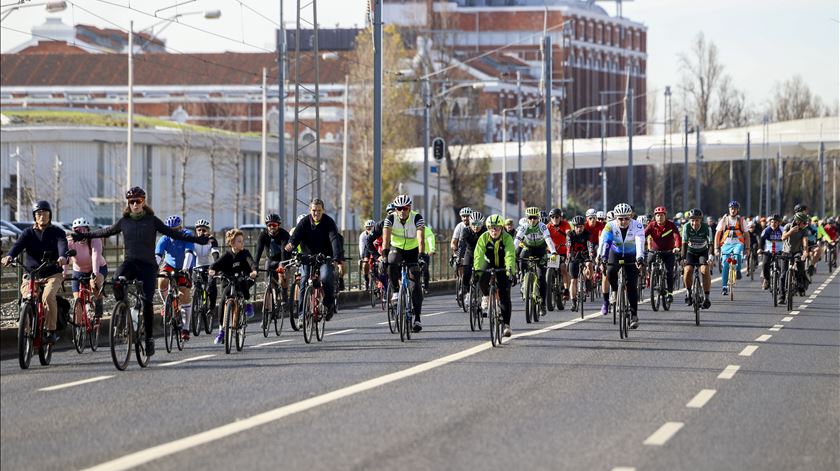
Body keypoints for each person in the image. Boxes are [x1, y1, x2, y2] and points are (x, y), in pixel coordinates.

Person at [70, 187, 208, 356]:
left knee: (147, 303)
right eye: (131, 201)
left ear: (144, 202)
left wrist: (197, 240)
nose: (135, 204)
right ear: (128, 203)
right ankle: (123, 312)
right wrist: (84, 236)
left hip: (148, 266)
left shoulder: (152, 220)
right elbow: (105, 232)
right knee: (116, 281)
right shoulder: (124, 221)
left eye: (138, 201)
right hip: (130, 263)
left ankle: (149, 338)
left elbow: (175, 234)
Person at [2, 200, 69, 344]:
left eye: (45, 213)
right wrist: (9, 256)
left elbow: (63, 245)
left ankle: (51, 331)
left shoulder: (58, 232)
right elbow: (17, 246)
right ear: (34, 216)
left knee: (47, 296)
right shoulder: (28, 233)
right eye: (39, 213)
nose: (42, 216)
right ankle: (27, 328)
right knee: (27, 297)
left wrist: (63, 257)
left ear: (50, 215)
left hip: (52, 273)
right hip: (32, 274)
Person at [285, 198, 344, 322]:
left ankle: (329, 304)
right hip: (307, 257)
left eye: (319, 211)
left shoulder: (329, 222)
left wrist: (337, 258)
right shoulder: (304, 222)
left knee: (326, 276)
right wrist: (291, 244)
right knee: (304, 279)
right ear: (309, 210)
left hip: (325, 256)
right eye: (313, 210)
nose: (316, 213)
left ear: (323, 210)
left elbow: (334, 239)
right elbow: (295, 236)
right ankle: (301, 314)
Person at [381, 195, 426, 332]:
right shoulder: (390, 218)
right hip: (397, 247)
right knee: (391, 262)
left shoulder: (417, 218)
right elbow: (386, 238)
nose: (402, 211)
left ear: (409, 208)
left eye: (405, 208)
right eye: (399, 208)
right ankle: (395, 291)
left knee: (415, 282)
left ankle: (417, 318)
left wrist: (421, 255)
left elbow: (421, 239)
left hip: (412, 250)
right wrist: (384, 256)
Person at [598, 203, 645, 328]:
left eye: (626, 218)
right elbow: (605, 242)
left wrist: (640, 258)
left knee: (631, 285)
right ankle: (614, 290)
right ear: (615, 218)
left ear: (630, 217)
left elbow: (640, 242)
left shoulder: (637, 226)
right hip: (616, 252)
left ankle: (634, 315)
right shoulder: (610, 226)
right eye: (620, 218)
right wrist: (603, 257)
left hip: (631, 254)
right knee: (610, 272)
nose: (623, 221)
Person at [209, 229, 258, 344]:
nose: (242, 243)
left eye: (242, 241)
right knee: (222, 302)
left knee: (242, 282)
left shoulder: (245, 253)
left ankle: (247, 302)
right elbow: (216, 264)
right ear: (232, 243)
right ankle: (222, 330)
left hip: (241, 279)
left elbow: (251, 262)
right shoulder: (227, 255)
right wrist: (212, 270)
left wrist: (254, 271)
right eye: (239, 241)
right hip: (228, 281)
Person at [155, 215, 197, 341]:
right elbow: (157, 256)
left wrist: (185, 270)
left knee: (184, 295)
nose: (173, 233)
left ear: (181, 228)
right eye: (170, 230)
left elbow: (189, 253)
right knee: (162, 279)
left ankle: (185, 328)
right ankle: (166, 304)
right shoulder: (164, 239)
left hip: (185, 265)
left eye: (176, 230)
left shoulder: (187, 235)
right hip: (169, 264)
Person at [473, 214, 516, 337]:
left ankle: (506, 325)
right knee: (481, 276)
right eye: (491, 228)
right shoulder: (484, 238)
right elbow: (479, 255)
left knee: (505, 295)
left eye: (497, 228)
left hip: (503, 267)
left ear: (502, 228)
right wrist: (477, 271)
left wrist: (510, 271)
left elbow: (510, 255)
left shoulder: (507, 238)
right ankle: (486, 295)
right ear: (487, 228)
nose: (494, 231)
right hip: (488, 263)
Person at [514, 206, 557, 317]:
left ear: (538, 218)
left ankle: (542, 304)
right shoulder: (524, 227)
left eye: (535, 218)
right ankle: (523, 279)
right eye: (530, 218)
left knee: (542, 277)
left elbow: (548, 239)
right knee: (522, 258)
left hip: (540, 250)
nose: (533, 220)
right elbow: (517, 240)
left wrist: (553, 251)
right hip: (528, 248)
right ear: (527, 218)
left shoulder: (542, 226)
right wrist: (512, 253)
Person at [66, 217, 108, 319]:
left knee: (94, 284)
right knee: (77, 301)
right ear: (74, 231)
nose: (81, 233)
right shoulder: (70, 242)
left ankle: (99, 303)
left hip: (98, 267)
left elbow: (95, 257)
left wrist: (95, 273)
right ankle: (79, 329)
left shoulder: (94, 239)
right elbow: (65, 258)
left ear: (88, 230)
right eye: (78, 230)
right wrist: (63, 274)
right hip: (79, 270)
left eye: (84, 230)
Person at [644, 206, 681, 303]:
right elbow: (643, 235)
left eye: (661, 215)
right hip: (655, 251)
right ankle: (652, 277)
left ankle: (669, 293)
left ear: (665, 216)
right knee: (648, 261)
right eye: (657, 216)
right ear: (655, 217)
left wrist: (677, 247)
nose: (659, 217)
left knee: (669, 272)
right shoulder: (652, 225)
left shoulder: (671, 225)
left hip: (668, 252)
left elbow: (677, 237)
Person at [255, 213, 292, 308]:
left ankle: (284, 294)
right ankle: (270, 304)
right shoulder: (263, 235)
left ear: (278, 225)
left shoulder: (284, 234)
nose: (272, 227)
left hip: (282, 259)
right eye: (269, 225)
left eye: (274, 225)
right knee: (268, 282)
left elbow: (284, 251)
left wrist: (283, 267)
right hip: (270, 260)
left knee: (282, 274)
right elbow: (258, 252)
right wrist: (255, 266)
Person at [714, 201, 750, 296]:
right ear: (729, 209)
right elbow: (717, 235)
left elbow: (746, 235)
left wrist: (747, 248)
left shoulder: (741, 220)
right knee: (726, 264)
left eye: (735, 209)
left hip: (738, 243)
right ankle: (724, 287)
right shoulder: (724, 220)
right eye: (731, 208)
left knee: (737, 254)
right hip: (726, 244)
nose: (733, 210)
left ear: (737, 210)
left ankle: (738, 270)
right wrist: (716, 248)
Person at [680, 209, 713, 309]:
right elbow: (684, 244)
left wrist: (711, 255)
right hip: (690, 252)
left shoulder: (706, 227)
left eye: (697, 220)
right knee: (688, 270)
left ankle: (707, 297)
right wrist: (683, 258)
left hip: (702, 252)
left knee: (704, 270)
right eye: (692, 220)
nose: (694, 223)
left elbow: (710, 243)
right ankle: (688, 292)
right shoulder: (686, 227)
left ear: (701, 220)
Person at [190, 218, 220, 318]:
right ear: (196, 231)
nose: (201, 232)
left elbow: (215, 253)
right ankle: (196, 301)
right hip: (197, 266)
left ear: (208, 231)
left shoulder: (212, 240)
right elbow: (189, 254)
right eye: (199, 230)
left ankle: (211, 308)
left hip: (209, 266)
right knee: (196, 285)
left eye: (204, 230)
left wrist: (216, 266)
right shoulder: (193, 240)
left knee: (211, 287)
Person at [779, 212, 810, 303]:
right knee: (783, 275)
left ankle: (800, 282)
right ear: (798, 221)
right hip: (786, 252)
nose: (805, 224)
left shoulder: (804, 230)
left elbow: (805, 242)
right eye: (803, 222)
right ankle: (781, 296)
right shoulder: (788, 226)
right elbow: (783, 237)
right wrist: (791, 231)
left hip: (797, 252)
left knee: (800, 264)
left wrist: (805, 252)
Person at [457, 212, 486, 306]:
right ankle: (468, 293)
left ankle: (484, 296)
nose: (476, 227)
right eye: (473, 224)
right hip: (470, 253)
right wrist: (458, 257)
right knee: (466, 274)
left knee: (483, 275)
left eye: (479, 224)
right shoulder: (466, 231)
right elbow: (461, 245)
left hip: (482, 255)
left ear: (482, 224)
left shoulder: (485, 231)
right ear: (470, 223)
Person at [567, 215, 595, 311]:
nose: (579, 229)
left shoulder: (588, 234)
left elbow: (590, 245)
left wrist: (591, 254)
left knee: (589, 264)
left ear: (584, 226)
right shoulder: (570, 234)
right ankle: (574, 302)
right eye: (577, 227)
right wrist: (569, 255)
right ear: (574, 227)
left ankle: (588, 280)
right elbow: (569, 246)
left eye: (581, 226)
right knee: (573, 280)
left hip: (585, 254)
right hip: (574, 255)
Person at [546, 208, 572, 303]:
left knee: (563, 267)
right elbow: (544, 237)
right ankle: (550, 284)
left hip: (563, 251)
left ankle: (565, 290)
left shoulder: (565, 224)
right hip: (552, 252)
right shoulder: (548, 226)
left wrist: (569, 238)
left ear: (560, 217)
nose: (555, 219)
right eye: (552, 217)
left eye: (557, 217)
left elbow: (568, 232)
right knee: (549, 268)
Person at [758, 214, 783, 290]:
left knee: (782, 266)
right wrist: (760, 249)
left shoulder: (783, 229)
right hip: (768, 251)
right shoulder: (766, 230)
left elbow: (787, 240)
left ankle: (782, 282)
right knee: (765, 264)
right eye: (772, 222)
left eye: (775, 222)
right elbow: (761, 241)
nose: (773, 224)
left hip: (780, 251)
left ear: (778, 223)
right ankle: (767, 280)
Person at [359, 220, 376, 290]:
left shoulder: (377, 233)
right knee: (365, 263)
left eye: (371, 228)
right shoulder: (363, 235)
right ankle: (366, 279)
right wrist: (363, 257)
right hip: (367, 249)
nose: (370, 230)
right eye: (368, 228)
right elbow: (362, 247)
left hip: (375, 248)